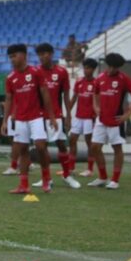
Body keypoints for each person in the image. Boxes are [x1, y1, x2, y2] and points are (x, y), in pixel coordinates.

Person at [1, 44, 58, 193]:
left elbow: (46, 95)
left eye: (15, 56)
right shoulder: (10, 77)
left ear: (24, 55)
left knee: (40, 146)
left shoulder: (36, 72)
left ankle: (46, 178)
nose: (12, 59)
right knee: (23, 149)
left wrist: (51, 117)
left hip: (36, 117)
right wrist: (5, 121)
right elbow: (8, 100)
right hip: (20, 119)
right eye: (10, 57)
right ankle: (23, 185)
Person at [88, 53, 131, 190]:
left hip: (116, 120)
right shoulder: (100, 78)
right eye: (110, 66)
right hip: (101, 119)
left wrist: (128, 114)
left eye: (115, 67)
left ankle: (115, 180)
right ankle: (102, 177)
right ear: (107, 65)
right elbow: (95, 93)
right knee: (94, 147)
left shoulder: (124, 79)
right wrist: (96, 106)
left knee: (116, 148)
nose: (112, 69)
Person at [34, 43, 80, 189]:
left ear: (52, 54)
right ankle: (46, 178)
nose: (42, 57)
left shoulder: (61, 72)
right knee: (42, 147)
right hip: (39, 116)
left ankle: (67, 175)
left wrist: (68, 115)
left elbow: (66, 94)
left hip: (57, 115)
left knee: (61, 145)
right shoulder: (35, 72)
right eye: (40, 54)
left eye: (45, 53)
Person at [68, 58, 98, 177]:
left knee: (89, 142)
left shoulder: (96, 83)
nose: (86, 70)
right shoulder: (79, 82)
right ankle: (71, 168)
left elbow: (98, 101)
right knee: (72, 139)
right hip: (78, 116)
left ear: (93, 69)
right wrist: (68, 112)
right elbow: (74, 98)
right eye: (85, 68)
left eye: (88, 68)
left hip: (89, 118)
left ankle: (90, 169)